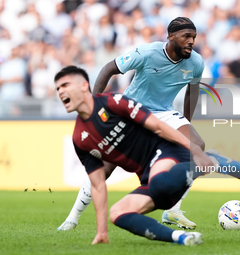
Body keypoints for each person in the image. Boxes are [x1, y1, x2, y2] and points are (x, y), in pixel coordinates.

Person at [54, 66, 240, 245]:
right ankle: (181, 238)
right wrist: (101, 231)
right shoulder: (80, 138)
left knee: (159, 182)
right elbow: (97, 185)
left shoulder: (114, 102)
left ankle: (210, 160)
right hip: (152, 178)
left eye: (65, 85)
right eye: (57, 88)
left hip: (167, 152)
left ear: (84, 85)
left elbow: (159, 126)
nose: (60, 91)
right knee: (118, 213)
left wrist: (195, 150)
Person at [58, 17, 210, 231]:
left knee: (196, 147)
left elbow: (192, 92)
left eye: (193, 37)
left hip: (163, 112)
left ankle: (173, 210)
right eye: (186, 36)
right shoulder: (147, 53)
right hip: (131, 111)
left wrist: (185, 124)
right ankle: (72, 218)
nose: (191, 41)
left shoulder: (196, 63)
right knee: (105, 168)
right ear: (171, 37)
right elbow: (108, 69)